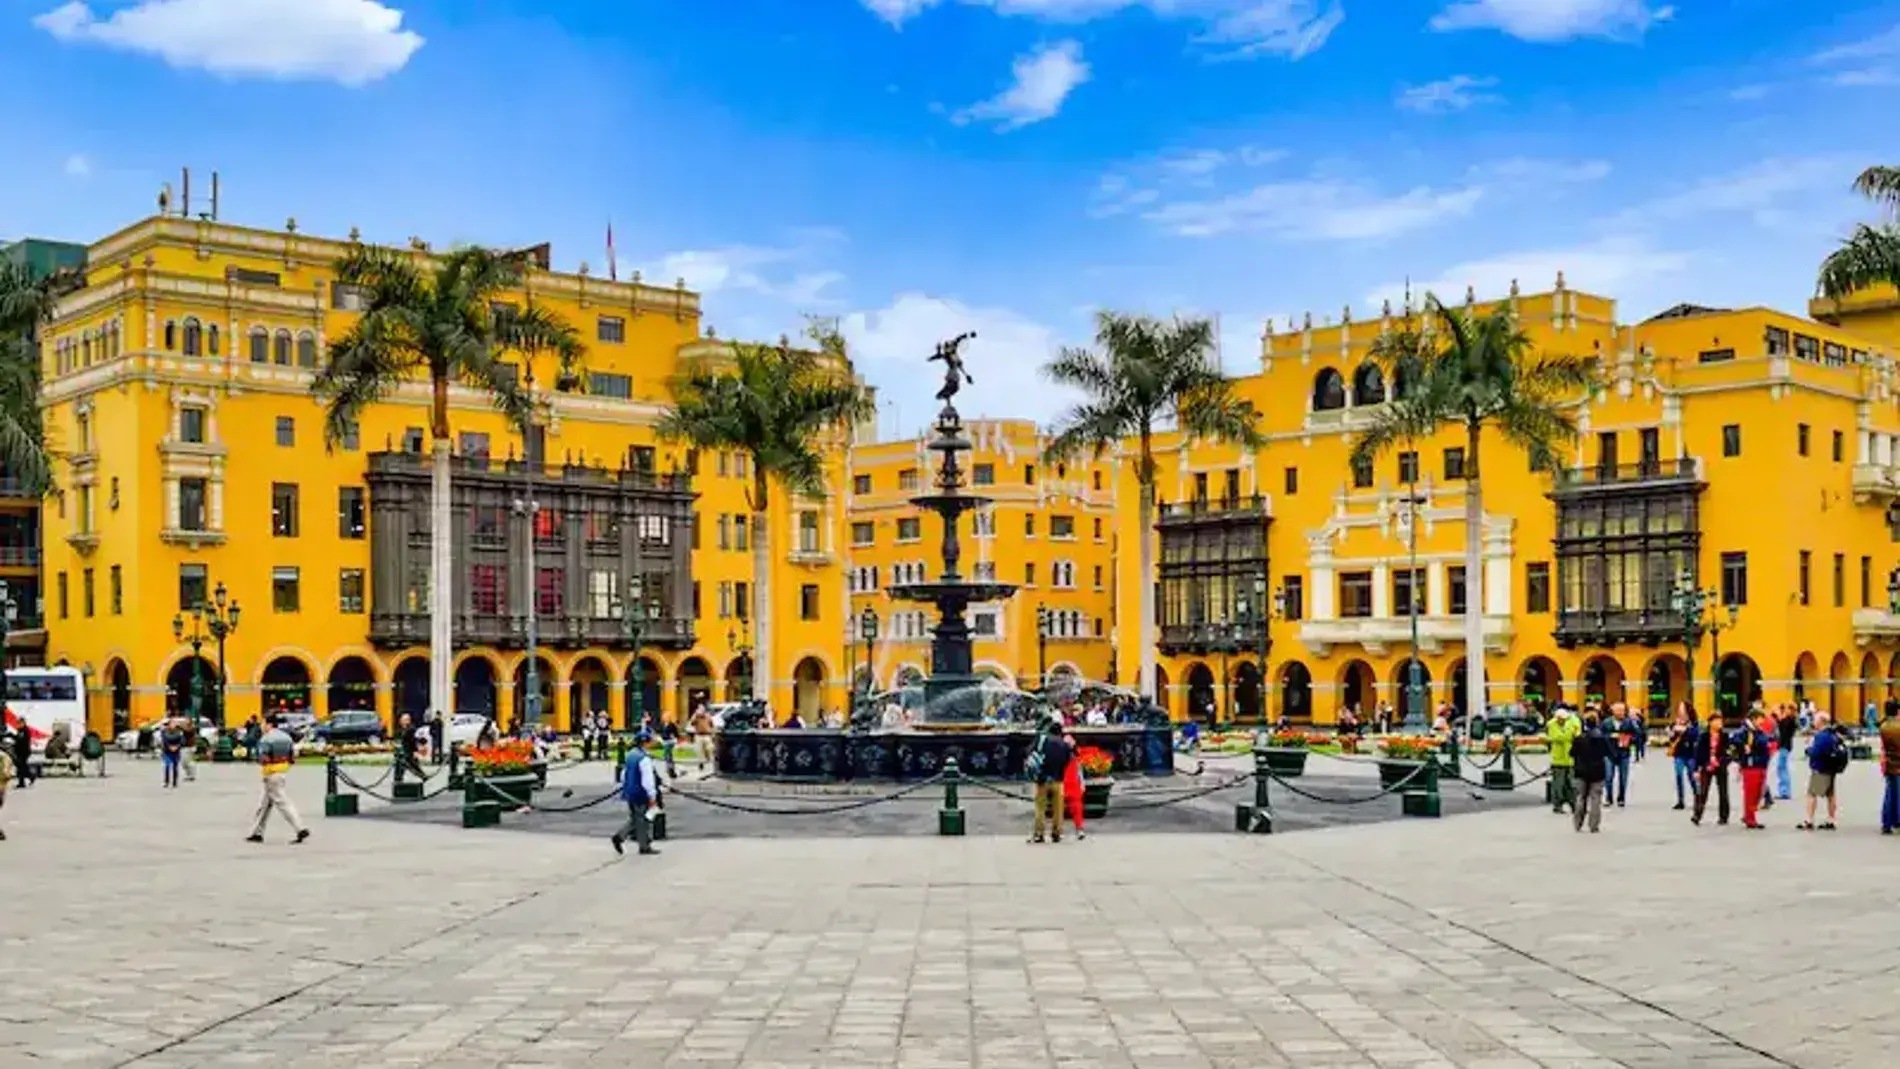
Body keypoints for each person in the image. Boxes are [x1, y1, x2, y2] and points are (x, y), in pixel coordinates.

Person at [247, 715, 309, 844]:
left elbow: (263, 758)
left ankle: (300, 828)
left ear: (269, 724)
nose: (261, 726)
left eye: (263, 723)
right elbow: (292, 757)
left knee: (282, 802)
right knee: (264, 805)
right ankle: (257, 833)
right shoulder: (286, 737)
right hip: (282, 772)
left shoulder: (266, 739)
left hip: (270, 774)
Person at [611, 730, 661, 856]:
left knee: (635, 818)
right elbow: (647, 780)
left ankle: (620, 836)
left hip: (630, 791)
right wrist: (652, 795)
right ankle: (643, 846)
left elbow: (623, 774)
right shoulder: (644, 758)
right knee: (643, 819)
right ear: (645, 743)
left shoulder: (631, 755)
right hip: (640, 792)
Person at [1797, 713, 1849, 831]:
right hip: (1832, 768)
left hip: (1821, 768)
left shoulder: (1821, 736)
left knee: (1812, 794)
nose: (1813, 722)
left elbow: (1816, 752)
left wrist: (1808, 750)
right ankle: (1831, 819)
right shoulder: (1833, 734)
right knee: (1830, 795)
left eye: (1815, 720)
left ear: (1821, 722)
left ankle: (1809, 820)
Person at [1028, 722, 1072, 844]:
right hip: (1058, 780)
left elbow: (1030, 753)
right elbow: (1067, 761)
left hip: (1042, 779)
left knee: (1040, 807)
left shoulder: (1042, 742)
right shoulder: (1064, 745)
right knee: (1058, 809)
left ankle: (1039, 834)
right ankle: (1056, 833)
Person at [1571, 710, 1610, 833]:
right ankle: (1594, 825)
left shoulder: (1579, 738)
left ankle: (1578, 823)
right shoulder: (1602, 738)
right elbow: (1608, 752)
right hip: (1598, 771)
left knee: (1580, 797)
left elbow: (1572, 753)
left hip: (1581, 771)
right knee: (1595, 799)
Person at [1691, 712, 1731, 826]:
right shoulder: (1704, 736)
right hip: (1706, 765)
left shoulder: (1725, 736)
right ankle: (1697, 815)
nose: (1719, 723)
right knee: (1702, 792)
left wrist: (1722, 761)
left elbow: (1728, 752)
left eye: (1720, 721)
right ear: (1710, 722)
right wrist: (1696, 769)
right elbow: (1698, 753)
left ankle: (1724, 816)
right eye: (1717, 721)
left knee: (1723, 792)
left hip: (1720, 766)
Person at [1736, 710, 1772, 830]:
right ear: (1753, 718)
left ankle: (1748, 814)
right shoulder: (1745, 731)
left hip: (1761, 764)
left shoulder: (1758, 730)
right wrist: (1743, 747)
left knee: (1759, 792)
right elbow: (1734, 740)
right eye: (1760, 719)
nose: (1762, 722)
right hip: (1751, 765)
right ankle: (1750, 819)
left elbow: (1766, 740)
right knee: (1751, 793)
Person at [1546, 705, 1581, 814]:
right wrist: (1569, 734)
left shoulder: (1573, 720)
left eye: (1564, 719)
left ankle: (1574, 805)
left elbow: (1577, 734)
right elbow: (1557, 737)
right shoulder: (1551, 724)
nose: (1562, 721)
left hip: (1570, 758)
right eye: (1560, 719)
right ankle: (1557, 805)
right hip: (1558, 759)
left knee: (1572, 784)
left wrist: (1570, 735)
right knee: (1558, 784)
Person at [1667, 705, 1699, 810]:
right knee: (1679, 775)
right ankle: (1680, 800)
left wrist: (1685, 730)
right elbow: (1671, 737)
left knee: (1692, 776)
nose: (1680, 712)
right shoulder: (1675, 723)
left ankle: (1697, 797)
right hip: (1679, 754)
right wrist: (1672, 732)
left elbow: (1696, 735)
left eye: (1682, 709)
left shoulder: (1694, 724)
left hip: (1691, 754)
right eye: (1679, 710)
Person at [1602, 702, 1633, 807]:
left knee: (1623, 777)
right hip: (1609, 753)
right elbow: (1601, 736)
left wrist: (1628, 739)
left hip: (1624, 753)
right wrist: (1610, 736)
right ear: (1613, 711)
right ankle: (1609, 797)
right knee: (1608, 776)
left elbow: (1638, 735)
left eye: (1622, 710)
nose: (1620, 713)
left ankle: (1621, 798)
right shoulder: (1606, 722)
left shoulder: (1629, 722)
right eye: (1618, 710)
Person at [1060, 727, 1087, 841]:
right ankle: (1060, 830)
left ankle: (1079, 829)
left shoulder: (1075, 757)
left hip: (1072, 784)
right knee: (1060, 809)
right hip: (1065, 783)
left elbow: (1079, 772)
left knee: (1076, 808)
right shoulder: (1066, 756)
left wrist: (1082, 784)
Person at [1881, 702, 1900, 835]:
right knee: (1898, 794)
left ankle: (1887, 822)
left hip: (1889, 762)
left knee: (1890, 793)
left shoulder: (1884, 726)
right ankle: (1897, 821)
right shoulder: (1898, 727)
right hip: (1898, 763)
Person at [1774, 704, 1799, 801]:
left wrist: (1779, 716)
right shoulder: (1791, 720)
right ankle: (1784, 791)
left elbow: (1782, 729)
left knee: (1782, 768)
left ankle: (1784, 791)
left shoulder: (1789, 720)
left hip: (1784, 745)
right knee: (1782, 768)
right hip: (1785, 745)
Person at [159, 718, 185, 788]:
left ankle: (174, 782)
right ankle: (166, 782)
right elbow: (164, 741)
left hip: (176, 752)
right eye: (172, 723)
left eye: (174, 723)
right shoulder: (164, 731)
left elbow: (182, 741)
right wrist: (169, 747)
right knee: (167, 765)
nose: (173, 725)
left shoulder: (179, 732)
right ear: (169, 724)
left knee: (175, 767)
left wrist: (177, 747)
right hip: (167, 751)